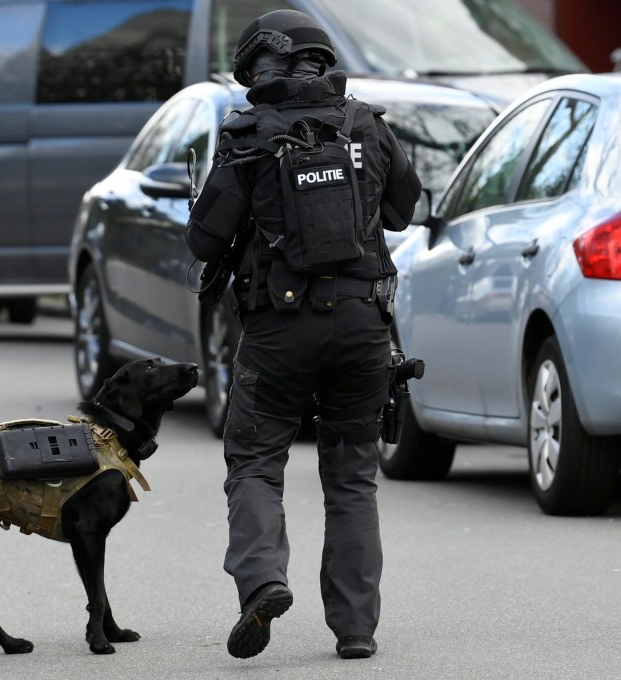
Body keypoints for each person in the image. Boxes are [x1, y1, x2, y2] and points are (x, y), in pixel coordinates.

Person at [184, 10, 421, 661]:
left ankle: (262, 580)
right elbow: (406, 208)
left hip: (280, 333)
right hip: (362, 330)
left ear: (259, 68)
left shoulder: (248, 133)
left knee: (256, 462)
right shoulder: (366, 124)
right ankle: (355, 629)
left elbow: (205, 240)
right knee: (352, 479)